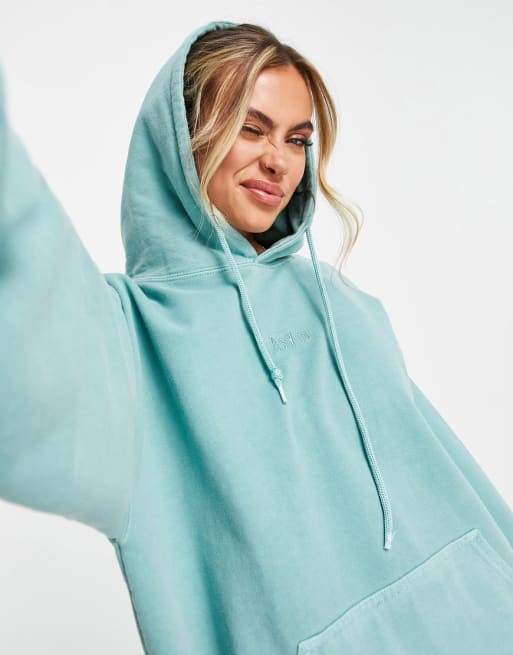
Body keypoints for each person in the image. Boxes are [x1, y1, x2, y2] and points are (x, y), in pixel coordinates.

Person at [1, 19, 513, 655]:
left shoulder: (338, 300)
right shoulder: (127, 343)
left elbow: (447, 475)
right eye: (251, 128)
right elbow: (24, 302)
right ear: (182, 135)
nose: (280, 161)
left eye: (297, 139)